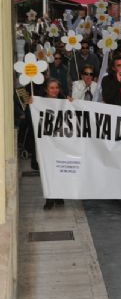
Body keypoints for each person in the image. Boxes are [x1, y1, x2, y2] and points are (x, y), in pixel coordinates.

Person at [25, 78, 66, 209]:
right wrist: (30, 105)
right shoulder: (38, 102)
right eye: (51, 88)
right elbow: (28, 121)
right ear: (46, 90)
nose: (55, 90)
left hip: (60, 143)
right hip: (44, 144)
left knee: (59, 169)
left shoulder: (64, 102)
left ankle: (59, 195)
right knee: (47, 170)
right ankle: (49, 198)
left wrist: (72, 103)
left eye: (56, 88)